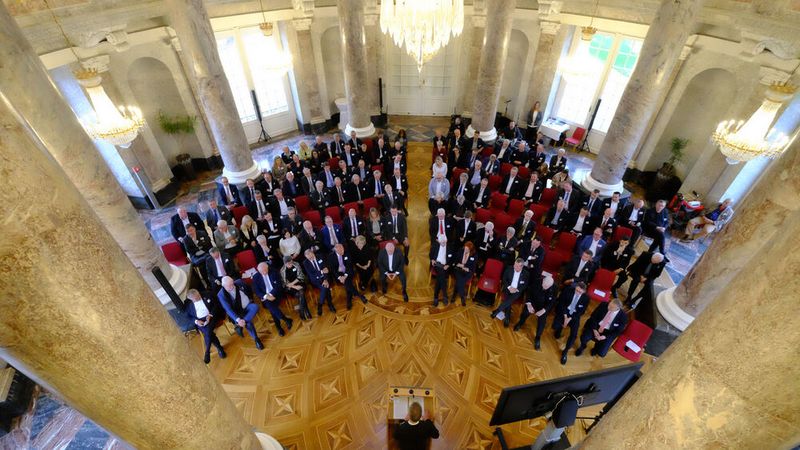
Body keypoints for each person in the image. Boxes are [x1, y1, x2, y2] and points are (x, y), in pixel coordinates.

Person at [218, 276, 264, 350]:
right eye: (229, 286)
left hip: (248, 305)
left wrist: (251, 298)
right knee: (248, 323)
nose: (232, 286)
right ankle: (256, 339)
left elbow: (248, 289)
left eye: (232, 284)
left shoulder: (239, 282)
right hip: (238, 312)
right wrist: (238, 320)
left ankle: (239, 326)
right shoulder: (221, 295)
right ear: (223, 286)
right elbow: (228, 309)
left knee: (256, 307)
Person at [514, 275, 556, 351]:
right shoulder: (536, 282)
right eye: (545, 285)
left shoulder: (554, 288)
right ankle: (520, 323)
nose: (546, 287)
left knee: (542, 321)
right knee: (525, 313)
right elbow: (528, 293)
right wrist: (529, 305)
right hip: (533, 302)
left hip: (543, 307)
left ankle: (538, 337)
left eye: (548, 286)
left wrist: (544, 310)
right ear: (543, 281)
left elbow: (552, 302)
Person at [184, 289, 226, 364]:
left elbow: (216, 305)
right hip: (201, 322)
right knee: (209, 333)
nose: (199, 297)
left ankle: (208, 351)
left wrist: (210, 315)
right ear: (191, 299)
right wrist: (196, 321)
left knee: (208, 331)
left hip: (212, 316)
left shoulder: (208, 294)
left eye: (199, 295)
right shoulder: (189, 305)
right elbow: (187, 316)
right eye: (196, 298)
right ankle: (219, 348)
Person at [552, 281, 590, 365]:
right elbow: (561, 304)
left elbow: (582, 311)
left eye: (580, 292)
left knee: (574, 335)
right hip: (564, 311)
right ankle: (559, 330)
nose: (577, 293)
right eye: (576, 290)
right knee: (555, 326)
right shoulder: (568, 290)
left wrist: (570, 318)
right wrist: (565, 316)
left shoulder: (586, 298)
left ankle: (565, 352)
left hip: (574, 315)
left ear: (584, 291)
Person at [252, 262, 294, 336]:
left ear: (267, 267)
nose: (264, 273)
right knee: (270, 305)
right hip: (266, 297)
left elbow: (278, 285)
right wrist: (266, 296)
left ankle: (279, 327)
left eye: (266, 270)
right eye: (262, 272)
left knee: (271, 307)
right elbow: (257, 291)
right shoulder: (256, 277)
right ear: (258, 271)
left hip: (276, 294)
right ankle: (285, 320)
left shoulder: (274, 272)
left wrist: (271, 294)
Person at [490, 258, 529, 327]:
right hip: (508, 288)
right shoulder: (509, 268)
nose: (515, 267)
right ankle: (507, 318)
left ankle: (498, 311)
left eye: (517, 266)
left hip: (517, 291)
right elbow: (504, 279)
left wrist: (516, 289)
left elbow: (525, 285)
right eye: (515, 265)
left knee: (509, 299)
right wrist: (509, 287)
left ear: (522, 266)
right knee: (509, 300)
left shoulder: (526, 274)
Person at [302, 248, 335, 316]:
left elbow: (325, 268)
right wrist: (321, 272)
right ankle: (329, 304)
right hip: (315, 280)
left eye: (311, 256)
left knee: (325, 287)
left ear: (313, 253)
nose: (310, 258)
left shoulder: (320, 256)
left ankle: (320, 305)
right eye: (308, 258)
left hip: (325, 277)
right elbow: (312, 274)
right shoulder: (305, 263)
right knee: (325, 288)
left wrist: (325, 280)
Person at [280, 255, 311, 320]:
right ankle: (306, 311)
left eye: (291, 262)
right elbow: (284, 283)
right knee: (300, 293)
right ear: (285, 263)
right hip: (290, 287)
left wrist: (294, 284)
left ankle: (302, 312)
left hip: (300, 282)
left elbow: (301, 276)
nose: (291, 264)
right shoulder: (282, 270)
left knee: (301, 292)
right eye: (289, 263)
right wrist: (294, 286)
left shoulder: (296, 264)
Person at [429, 236, 453, 307]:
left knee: (440, 278)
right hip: (437, 264)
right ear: (439, 241)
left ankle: (436, 297)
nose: (443, 244)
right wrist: (432, 260)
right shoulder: (435, 246)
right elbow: (430, 255)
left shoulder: (450, 247)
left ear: (446, 241)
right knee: (441, 274)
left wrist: (448, 265)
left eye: (444, 242)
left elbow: (453, 259)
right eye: (441, 242)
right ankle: (445, 295)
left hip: (445, 266)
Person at [451, 242, 476, 306]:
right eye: (465, 248)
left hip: (467, 271)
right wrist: (458, 264)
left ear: (470, 250)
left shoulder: (474, 255)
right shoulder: (460, 251)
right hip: (458, 269)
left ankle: (454, 295)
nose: (465, 250)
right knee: (460, 279)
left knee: (459, 281)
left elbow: (473, 266)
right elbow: (455, 260)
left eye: (467, 249)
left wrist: (468, 269)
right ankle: (462, 298)